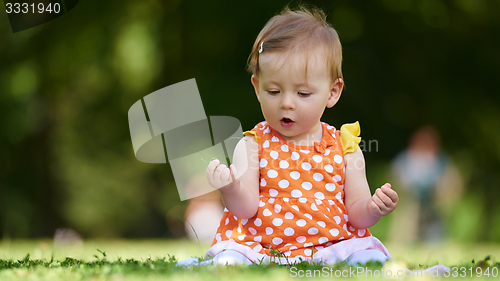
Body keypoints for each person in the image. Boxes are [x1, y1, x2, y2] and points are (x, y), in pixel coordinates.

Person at [178, 6, 399, 266]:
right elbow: (245, 209)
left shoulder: (345, 148)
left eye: (303, 94)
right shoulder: (253, 145)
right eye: (273, 91)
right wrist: (231, 188)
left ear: (332, 92)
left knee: (369, 258)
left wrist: (373, 209)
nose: (287, 103)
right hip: (261, 247)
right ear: (257, 88)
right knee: (230, 260)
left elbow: (356, 214)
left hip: (332, 246)